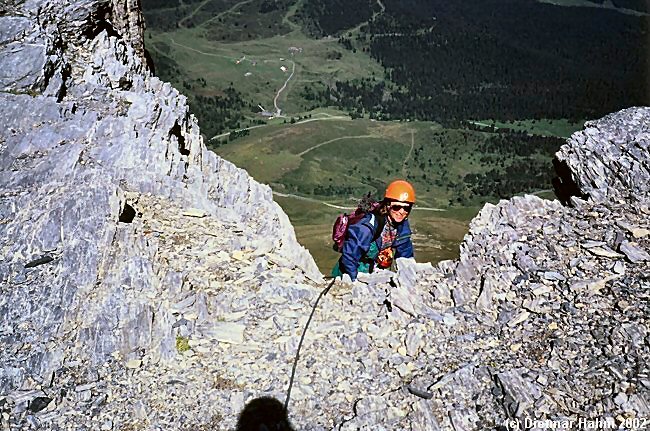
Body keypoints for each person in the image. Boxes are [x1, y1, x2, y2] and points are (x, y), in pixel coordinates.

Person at [332, 180, 415, 281]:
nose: (402, 212)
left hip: (375, 271)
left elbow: (405, 254)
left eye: (407, 208)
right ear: (387, 205)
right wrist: (353, 281)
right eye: (396, 207)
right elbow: (350, 255)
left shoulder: (402, 225)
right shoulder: (368, 225)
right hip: (350, 271)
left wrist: (408, 278)